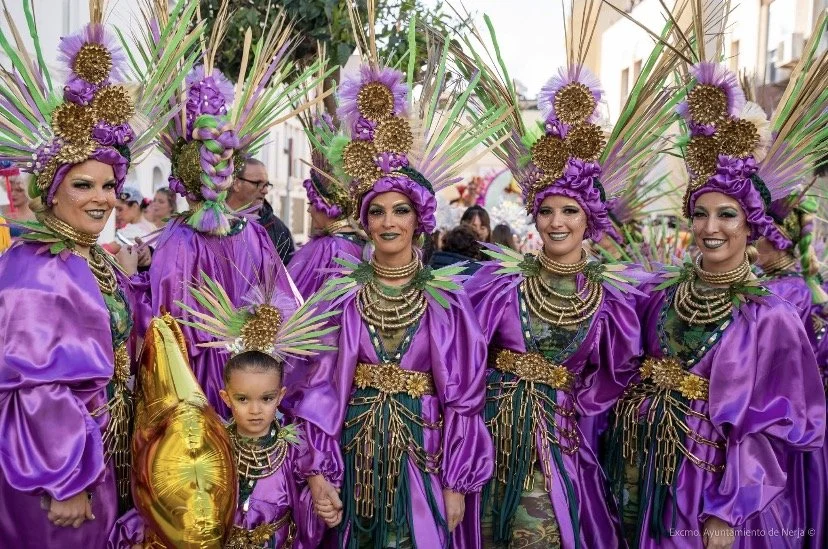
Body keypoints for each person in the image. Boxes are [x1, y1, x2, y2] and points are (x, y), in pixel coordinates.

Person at [453, 8, 689, 546]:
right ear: (534, 216)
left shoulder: (612, 296)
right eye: (547, 211)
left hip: (559, 443)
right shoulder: (496, 284)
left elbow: (623, 371)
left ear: (589, 220)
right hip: (492, 440)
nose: (557, 222)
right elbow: (459, 355)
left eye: (570, 212)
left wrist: (574, 411)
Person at [604, 15, 826, 548]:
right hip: (648, 477)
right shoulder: (661, 293)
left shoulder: (770, 315)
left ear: (751, 224)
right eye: (700, 214)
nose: (710, 228)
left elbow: (778, 425)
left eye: (726, 215)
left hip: (718, 488)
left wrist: (730, 510)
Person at [282, 26, 505, 547]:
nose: (388, 222)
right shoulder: (339, 294)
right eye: (377, 211)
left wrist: (456, 482)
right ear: (363, 221)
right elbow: (314, 386)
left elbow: (464, 398)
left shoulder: (447, 300)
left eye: (400, 211)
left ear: (418, 220)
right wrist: (316, 470)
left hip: (422, 457)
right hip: (354, 453)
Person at [0, 6, 192, 545]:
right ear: (53, 189)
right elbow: (38, 387)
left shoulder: (96, 257)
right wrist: (65, 481)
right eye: (83, 185)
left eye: (109, 186)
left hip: (104, 454)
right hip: (52, 470)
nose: (102, 199)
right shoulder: (33, 266)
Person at [133, 5, 325, 418]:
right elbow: (168, 327)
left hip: (243, 382)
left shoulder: (212, 236)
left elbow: (278, 301)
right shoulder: (191, 239)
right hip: (213, 386)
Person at [111, 270, 336, 548]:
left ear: (280, 396)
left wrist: (322, 503)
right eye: (243, 399)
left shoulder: (294, 453)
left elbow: (307, 511)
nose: (255, 410)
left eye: (266, 399)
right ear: (225, 397)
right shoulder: (213, 444)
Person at [757, 194, 828, 549]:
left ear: (776, 239)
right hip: (814, 421)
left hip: (777, 423)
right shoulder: (814, 289)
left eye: (756, 232)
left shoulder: (772, 295)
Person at [288, 118, 367, 299]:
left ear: (327, 206)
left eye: (312, 204)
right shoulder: (363, 245)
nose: (309, 211)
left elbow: (290, 300)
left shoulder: (326, 248)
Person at [227, 157, 296, 265]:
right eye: (258, 183)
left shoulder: (279, 230)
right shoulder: (210, 223)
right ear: (236, 183)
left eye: (266, 184)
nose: (265, 190)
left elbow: (288, 275)